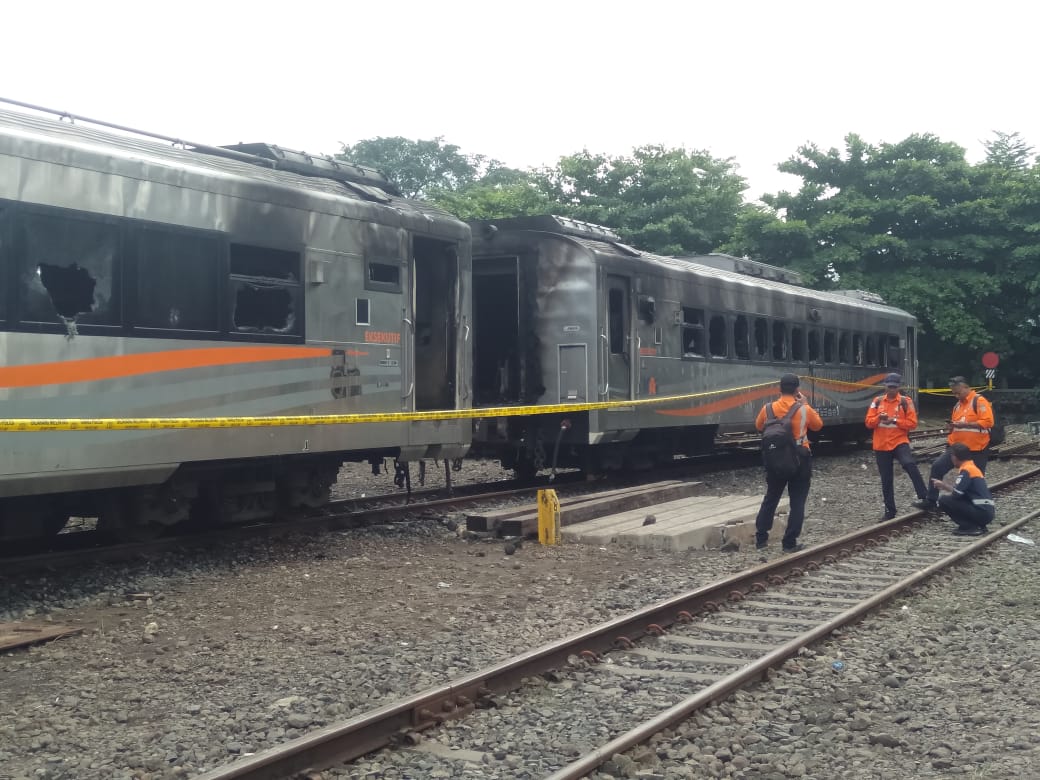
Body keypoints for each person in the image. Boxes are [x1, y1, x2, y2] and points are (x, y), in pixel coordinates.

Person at [754, 373, 823, 553]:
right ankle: (789, 542)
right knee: (797, 501)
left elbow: (759, 426)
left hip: (775, 458)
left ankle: (761, 539)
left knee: (771, 497)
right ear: (797, 390)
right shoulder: (803, 409)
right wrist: (806, 404)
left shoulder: (767, 408)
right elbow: (818, 425)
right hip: (800, 457)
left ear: (780, 388)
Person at [914, 376, 994, 510]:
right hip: (956, 449)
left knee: (975, 479)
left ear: (966, 387)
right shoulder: (957, 405)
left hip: (976, 449)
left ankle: (976, 507)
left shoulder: (979, 401)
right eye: (954, 393)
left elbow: (988, 422)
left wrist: (966, 425)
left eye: (958, 392)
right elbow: (957, 426)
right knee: (937, 466)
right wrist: (952, 429)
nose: (956, 395)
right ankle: (931, 500)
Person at [864, 373, 928, 520]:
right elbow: (868, 422)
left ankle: (924, 497)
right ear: (884, 386)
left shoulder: (906, 402)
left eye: (894, 387)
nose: (891, 389)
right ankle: (889, 511)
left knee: (909, 463)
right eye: (889, 386)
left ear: (899, 387)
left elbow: (912, 424)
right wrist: (878, 418)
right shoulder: (877, 401)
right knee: (886, 479)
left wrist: (895, 420)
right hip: (881, 445)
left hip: (899, 441)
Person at [931, 442, 995, 535]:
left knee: (944, 500)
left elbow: (956, 494)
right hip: (986, 512)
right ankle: (978, 525)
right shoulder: (972, 468)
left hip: (981, 512)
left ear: (954, 457)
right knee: (957, 498)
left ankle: (969, 527)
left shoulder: (967, 470)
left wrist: (943, 485)